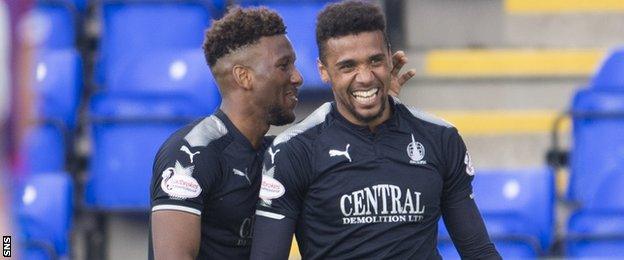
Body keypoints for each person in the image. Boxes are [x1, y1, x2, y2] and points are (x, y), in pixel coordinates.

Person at [149, 6, 415, 260]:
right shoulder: (191, 152)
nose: (297, 77)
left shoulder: (283, 153)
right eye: (283, 65)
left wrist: (380, 111)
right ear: (244, 77)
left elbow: (362, 166)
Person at [250, 1, 501, 259]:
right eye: (348, 66)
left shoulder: (440, 138)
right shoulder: (294, 151)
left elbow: (478, 251)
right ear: (324, 71)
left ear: (391, 59)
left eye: (375, 60)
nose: (366, 77)